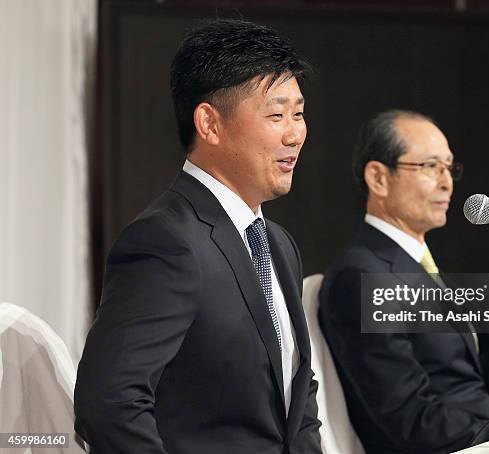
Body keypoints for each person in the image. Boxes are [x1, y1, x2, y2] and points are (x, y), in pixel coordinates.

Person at [74, 19, 322, 453]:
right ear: (209, 123)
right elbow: (110, 403)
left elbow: (298, 394)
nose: (294, 133)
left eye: (299, 114)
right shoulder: (166, 240)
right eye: (276, 114)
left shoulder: (277, 242)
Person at [318, 110, 489, 453]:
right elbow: (409, 416)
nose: (447, 182)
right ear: (378, 178)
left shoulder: (420, 265)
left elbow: (467, 387)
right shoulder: (361, 277)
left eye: (449, 167)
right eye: (430, 167)